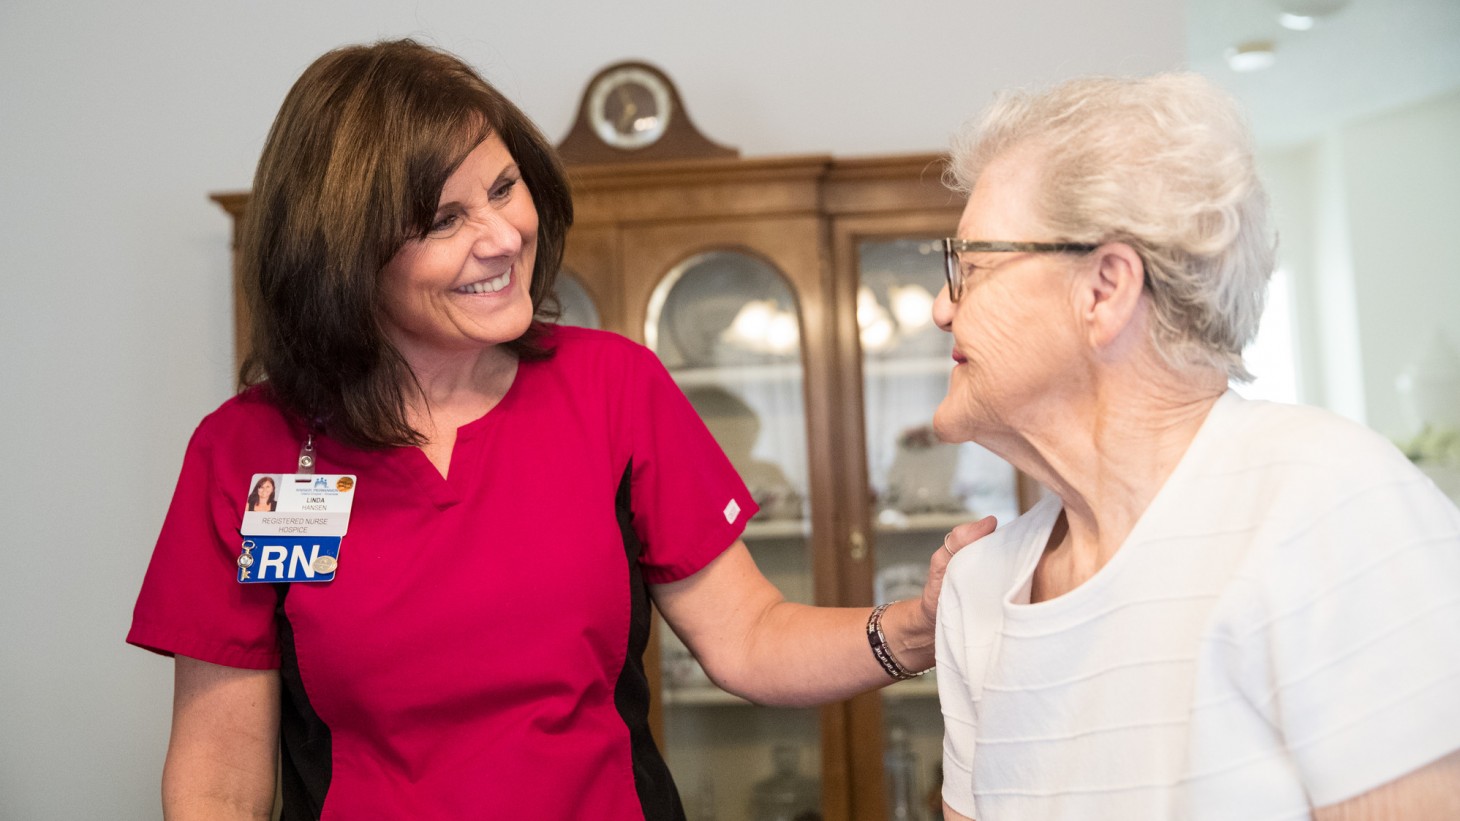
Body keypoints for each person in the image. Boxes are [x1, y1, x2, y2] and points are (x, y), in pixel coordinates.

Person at [126, 39, 993, 820]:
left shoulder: (611, 386)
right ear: (342, 254)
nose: (504, 236)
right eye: (443, 219)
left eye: (503, 188)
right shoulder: (248, 452)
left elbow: (750, 639)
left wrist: (914, 628)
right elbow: (218, 785)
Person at [930, 73, 1460, 820]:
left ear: (1104, 288)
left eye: (972, 267)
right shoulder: (977, 587)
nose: (941, 305)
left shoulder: (1331, 505)